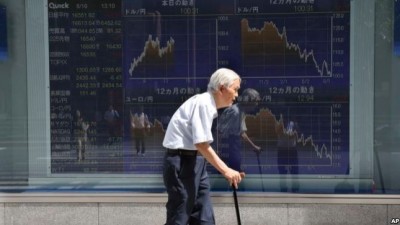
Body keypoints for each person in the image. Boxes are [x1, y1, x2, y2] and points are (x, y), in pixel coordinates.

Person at [162, 68, 245, 225]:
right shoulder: (204, 104)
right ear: (222, 88)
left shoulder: (208, 105)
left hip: (195, 161)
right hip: (181, 161)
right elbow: (201, 143)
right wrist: (227, 171)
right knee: (180, 215)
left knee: (203, 215)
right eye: (235, 89)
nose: (236, 95)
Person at [217, 88, 261, 172]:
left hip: (234, 146)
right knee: (232, 173)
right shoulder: (235, 113)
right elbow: (220, 131)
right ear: (248, 102)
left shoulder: (240, 111)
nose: (256, 105)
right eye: (255, 102)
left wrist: (254, 146)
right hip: (229, 147)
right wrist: (219, 152)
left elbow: (242, 133)